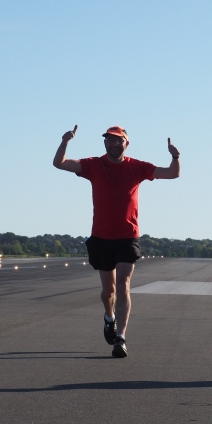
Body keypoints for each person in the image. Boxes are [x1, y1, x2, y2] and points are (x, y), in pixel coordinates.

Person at [53, 125, 180, 358]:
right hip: (101, 237)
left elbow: (173, 173)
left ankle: (120, 338)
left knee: (123, 285)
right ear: (105, 144)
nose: (114, 144)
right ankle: (108, 317)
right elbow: (59, 163)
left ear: (126, 144)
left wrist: (175, 156)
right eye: (110, 140)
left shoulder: (137, 167)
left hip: (127, 236)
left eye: (118, 140)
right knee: (108, 291)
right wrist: (65, 142)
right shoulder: (93, 165)